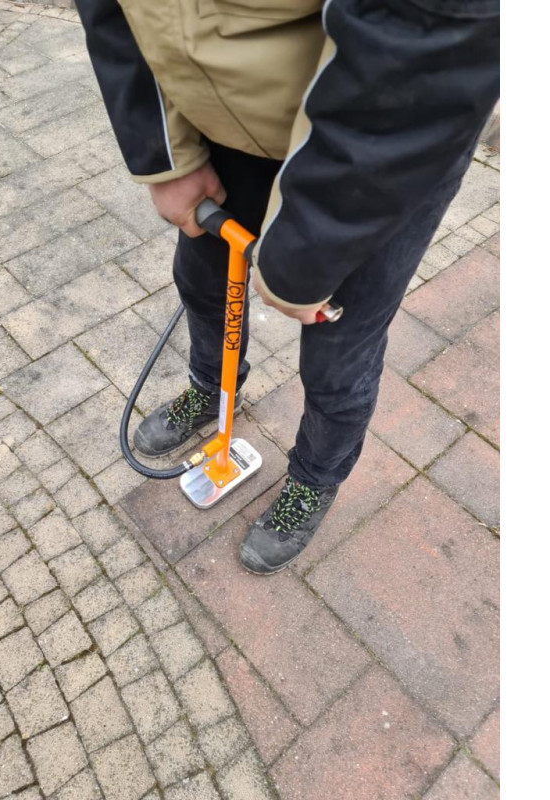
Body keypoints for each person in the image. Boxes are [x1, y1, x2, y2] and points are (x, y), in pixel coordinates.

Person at [74, 0, 500, 575]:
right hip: (228, 126)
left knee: (338, 356)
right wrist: (166, 157)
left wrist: (300, 262)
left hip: (385, 150)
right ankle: (213, 389)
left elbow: (425, 42)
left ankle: (314, 478)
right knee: (201, 281)